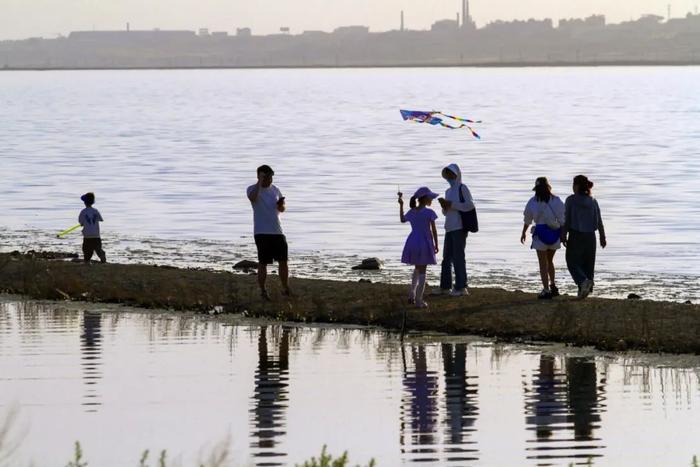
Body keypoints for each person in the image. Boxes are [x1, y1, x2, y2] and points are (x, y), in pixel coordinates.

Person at [247, 165, 291, 300]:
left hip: (277, 231)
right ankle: (263, 290)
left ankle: (285, 288)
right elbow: (253, 198)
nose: (269, 179)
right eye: (266, 176)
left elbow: (282, 209)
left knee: (283, 261)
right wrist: (259, 182)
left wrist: (281, 205)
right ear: (260, 177)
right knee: (263, 262)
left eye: (271, 176)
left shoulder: (276, 189)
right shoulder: (253, 189)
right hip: (261, 232)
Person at [561, 175, 606, 299]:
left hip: (576, 235)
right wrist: (602, 236)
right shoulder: (593, 201)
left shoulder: (571, 200)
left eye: (573, 184)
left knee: (572, 261)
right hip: (591, 236)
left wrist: (563, 234)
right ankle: (584, 289)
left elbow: (567, 219)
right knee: (588, 264)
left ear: (576, 186)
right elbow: (599, 221)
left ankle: (582, 282)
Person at [520, 177, 566, 299]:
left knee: (542, 264)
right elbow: (562, 220)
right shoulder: (556, 200)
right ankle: (553, 285)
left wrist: (523, 232)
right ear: (548, 187)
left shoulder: (533, 201)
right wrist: (563, 235)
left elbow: (527, 219)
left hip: (540, 235)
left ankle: (546, 290)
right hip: (554, 234)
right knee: (550, 261)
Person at [434, 163, 474, 297]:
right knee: (446, 258)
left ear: (456, 175)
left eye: (451, 175)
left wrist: (452, 204)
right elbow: (446, 213)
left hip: (460, 226)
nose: (449, 177)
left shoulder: (463, 188)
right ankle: (445, 287)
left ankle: (461, 287)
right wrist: (444, 206)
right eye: (447, 175)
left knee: (458, 257)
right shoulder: (448, 191)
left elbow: (469, 205)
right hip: (449, 227)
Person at [399, 187, 440, 308]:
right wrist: (436, 244)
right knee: (423, 270)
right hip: (424, 242)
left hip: (412, 241)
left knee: (417, 268)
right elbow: (433, 230)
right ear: (426, 199)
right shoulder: (429, 213)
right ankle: (419, 300)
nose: (432, 200)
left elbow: (402, 220)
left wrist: (401, 205)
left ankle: (412, 294)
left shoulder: (412, 212)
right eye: (430, 198)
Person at [78, 192, 106, 264]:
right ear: (93, 202)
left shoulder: (83, 212)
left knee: (87, 249)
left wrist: (83, 223)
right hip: (96, 234)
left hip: (87, 235)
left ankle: (87, 261)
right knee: (98, 248)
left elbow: (81, 222)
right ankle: (102, 257)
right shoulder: (95, 211)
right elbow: (101, 219)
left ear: (84, 202)